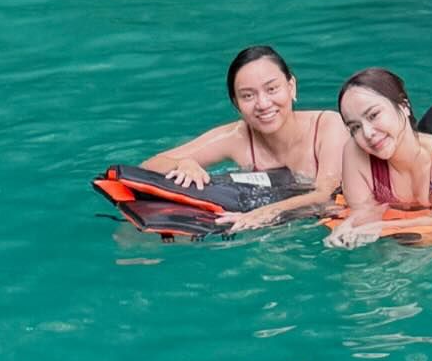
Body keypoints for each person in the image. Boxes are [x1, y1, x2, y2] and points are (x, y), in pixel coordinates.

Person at [141, 45, 348, 231]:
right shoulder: (236, 136)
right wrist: (183, 163)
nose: (263, 104)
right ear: (236, 104)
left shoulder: (329, 126)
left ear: (291, 86)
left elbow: (324, 195)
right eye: (248, 95)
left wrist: (263, 213)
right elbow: (148, 167)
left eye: (272, 89)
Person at [327, 68, 432, 249]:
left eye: (373, 115)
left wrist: (379, 226)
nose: (367, 133)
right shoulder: (355, 151)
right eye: (355, 127)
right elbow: (363, 210)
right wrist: (348, 226)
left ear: (404, 106)